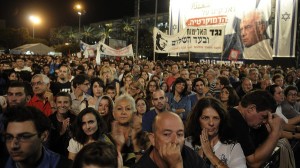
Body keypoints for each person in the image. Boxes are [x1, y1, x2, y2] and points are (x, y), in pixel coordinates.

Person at [228, 90, 284, 167]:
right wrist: (275, 133)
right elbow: (253, 163)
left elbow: (264, 147)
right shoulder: (234, 120)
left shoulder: (252, 121)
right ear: (251, 109)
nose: (265, 121)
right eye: (264, 117)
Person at [186, 97, 246, 167]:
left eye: (215, 118)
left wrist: (211, 155)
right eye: (205, 118)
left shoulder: (233, 147)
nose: (211, 123)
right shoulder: (187, 144)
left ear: (221, 120)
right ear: (197, 120)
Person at [3, 106, 71, 168]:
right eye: (9, 137)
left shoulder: (65, 165)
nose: (13, 145)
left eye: (24, 137)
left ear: (44, 136)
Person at [134, 111, 206, 168]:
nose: (175, 141)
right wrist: (176, 165)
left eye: (179, 134)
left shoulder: (191, 157)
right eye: (167, 134)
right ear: (153, 139)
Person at [48, 92, 76, 157]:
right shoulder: (49, 120)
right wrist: (62, 131)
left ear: (70, 104)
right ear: (55, 104)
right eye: (59, 102)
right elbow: (49, 143)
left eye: (65, 102)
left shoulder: (75, 119)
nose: (62, 105)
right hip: (54, 157)